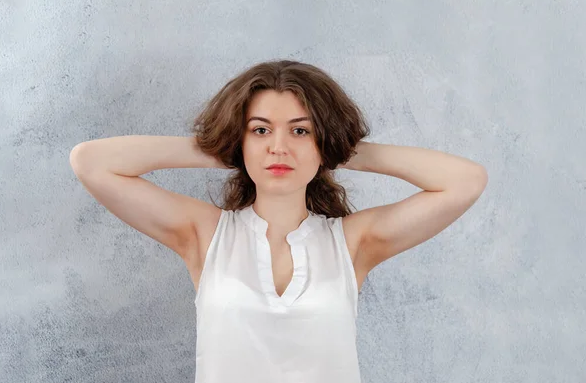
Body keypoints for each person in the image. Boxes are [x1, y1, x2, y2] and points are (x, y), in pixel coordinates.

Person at [70, 60, 488, 383]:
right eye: (261, 130)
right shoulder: (205, 235)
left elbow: (465, 181)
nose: (279, 148)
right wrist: (224, 145)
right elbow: (90, 162)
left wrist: (338, 147)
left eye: (300, 132)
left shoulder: (352, 243)